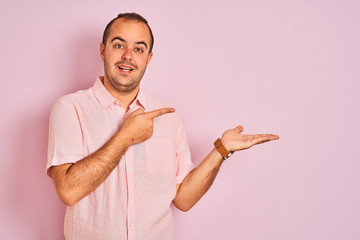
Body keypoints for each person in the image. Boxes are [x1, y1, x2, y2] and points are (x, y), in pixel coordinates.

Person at [46, 12, 279, 240]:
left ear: (148, 58)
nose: (128, 55)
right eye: (119, 45)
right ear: (102, 50)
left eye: (138, 49)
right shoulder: (69, 108)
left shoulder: (168, 116)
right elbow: (68, 191)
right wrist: (126, 136)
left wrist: (222, 150)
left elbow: (183, 199)